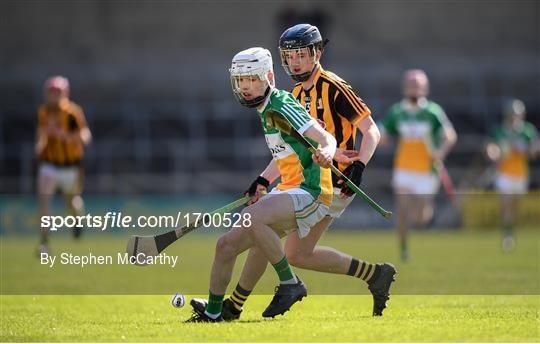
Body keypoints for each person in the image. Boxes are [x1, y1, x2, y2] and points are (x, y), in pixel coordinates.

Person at [190, 24, 396, 320]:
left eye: (301, 55)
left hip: (333, 182)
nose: (295, 62)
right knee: (288, 248)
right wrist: (264, 178)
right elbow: (293, 149)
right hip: (304, 176)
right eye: (290, 56)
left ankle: (266, 293)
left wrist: (360, 164)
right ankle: (375, 275)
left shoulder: (332, 87)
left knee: (269, 232)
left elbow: (370, 130)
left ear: (317, 53)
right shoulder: (295, 93)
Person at [187, 47, 338, 322]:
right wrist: (263, 180)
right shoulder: (264, 109)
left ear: (268, 76)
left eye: (252, 79)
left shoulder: (282, 104)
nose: (245, 86)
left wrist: (327, 151)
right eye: (240, 81)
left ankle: (290, 283)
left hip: (311, 191)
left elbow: (325, 137)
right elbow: (285, 153)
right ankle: (214, 313)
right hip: (288, 189)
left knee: (252, 218)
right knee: (225, 245)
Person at [380, 69, 457, 262]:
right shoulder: (397, 111)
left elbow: (450, 136)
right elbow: (382, 133)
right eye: (411, 85)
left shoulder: (432, 112)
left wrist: (440, 152)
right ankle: (404, 249)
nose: (414, 88)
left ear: (425, 88)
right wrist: (380, 139)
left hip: (427, 172)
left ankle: (424, 216)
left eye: (418, 85)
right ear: (405, 88)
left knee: (421, 218)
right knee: (403, 210)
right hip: (404, 168)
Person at [35, 76, 92, 254]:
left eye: (57, 92)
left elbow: (85, 136)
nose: (54, 96)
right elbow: (41, 134)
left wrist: (64, 136)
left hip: (71, 167)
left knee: (72, 203)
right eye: (51, 92)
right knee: (44, 200)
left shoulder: (72, 113)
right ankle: (44, 242)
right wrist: (39, 146)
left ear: (65, 93)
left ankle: (77, 219)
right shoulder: (43, 112)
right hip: (50, 165)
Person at [485, 99, 539, 252]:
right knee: (506, 204)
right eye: (511, 115)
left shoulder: (527, 130)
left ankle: (510, 231)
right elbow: (490, 147)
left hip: (521, 173)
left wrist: (524, 150)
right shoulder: (500, 131)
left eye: (516, 115)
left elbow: (534, 150)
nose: (514, 117)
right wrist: (494, 153)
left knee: (515, 207)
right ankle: (507, 235)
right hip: (504, 173)